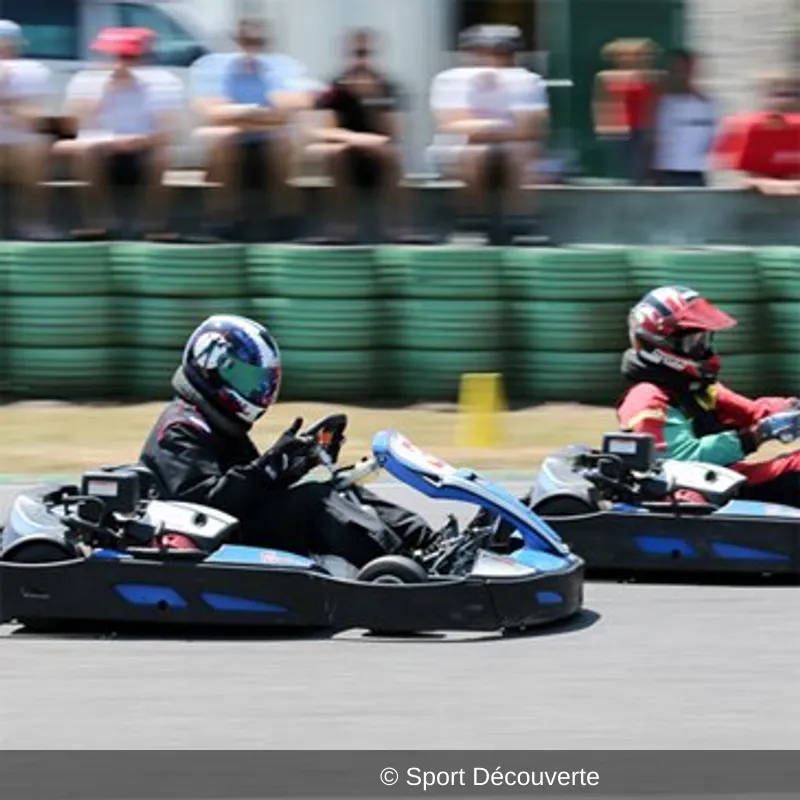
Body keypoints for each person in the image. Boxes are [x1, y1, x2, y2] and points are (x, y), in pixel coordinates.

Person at [139, 314, 441, 569]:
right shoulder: (180, 428)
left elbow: (251, 492)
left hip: (234, 527)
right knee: (314, 502)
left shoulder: (215, 422)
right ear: (212, 367)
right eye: (249, 379)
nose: (259, 390)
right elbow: (209, 504)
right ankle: (403, 564)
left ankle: (431, 544)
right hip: (212, 543)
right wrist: (270, 466)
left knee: (343, 489)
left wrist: (295, 463)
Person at [617, 285, 800, 506]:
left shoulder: (697, 389)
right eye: (693, 342)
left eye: (703, 340)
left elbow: (754, 411)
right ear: (660, 345)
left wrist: (792, 409)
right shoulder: (646, 398)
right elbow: (681, 459)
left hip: (724, 478)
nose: (702, 348)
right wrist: (757, 435)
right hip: (697, 492)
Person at [57, 27, 183, 240]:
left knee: (163, 156)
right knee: (84, 153)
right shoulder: (85, 81)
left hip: (143, 147)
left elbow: (170, 133)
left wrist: (139, 141)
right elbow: (72, 127)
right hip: (99, 147)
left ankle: (151, 224)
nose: (118, 64)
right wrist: (100, 97)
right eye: (112, 57)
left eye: (127, 57)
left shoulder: (163, 83)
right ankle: (99, 223)